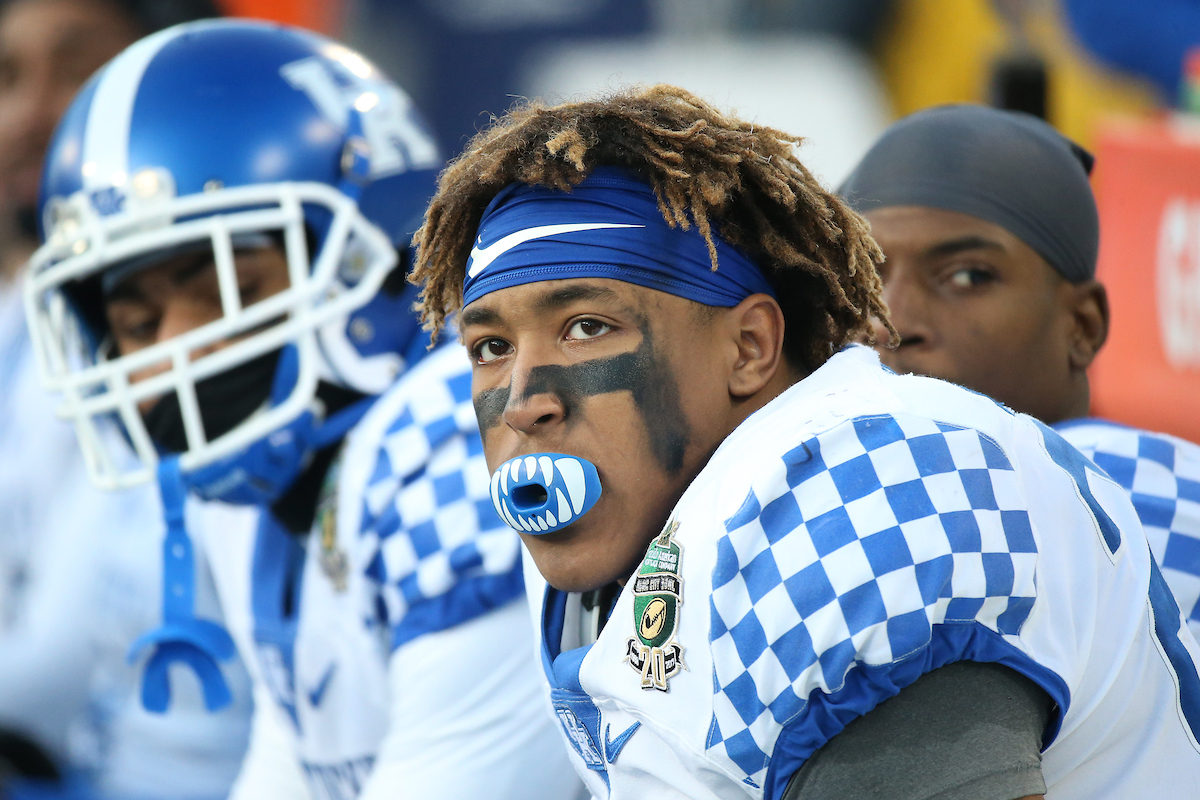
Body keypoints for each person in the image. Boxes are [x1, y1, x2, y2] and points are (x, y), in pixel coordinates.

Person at [408, 84, 1200, 800]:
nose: (524, 403)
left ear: (749, 347)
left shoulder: (857, 503)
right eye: (490, 348)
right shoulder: (619, 543)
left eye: (587, 328)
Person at [25, 19, 580, 800]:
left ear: (374, 251)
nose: (174, 353)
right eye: (138, 324)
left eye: (228, 290)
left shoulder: (456, 441)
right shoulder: (255, 490)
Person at [0, 1, 255, 798]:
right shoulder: (29, 322)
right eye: (7, 77)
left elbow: (51, 669)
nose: (29, 116)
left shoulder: (205, 352)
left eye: (77, 71)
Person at [838, 103, 1200, 642]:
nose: (891, 324)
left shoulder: (1131, 493)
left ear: (1082, 324)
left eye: (966, 276)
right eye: (861, 275)